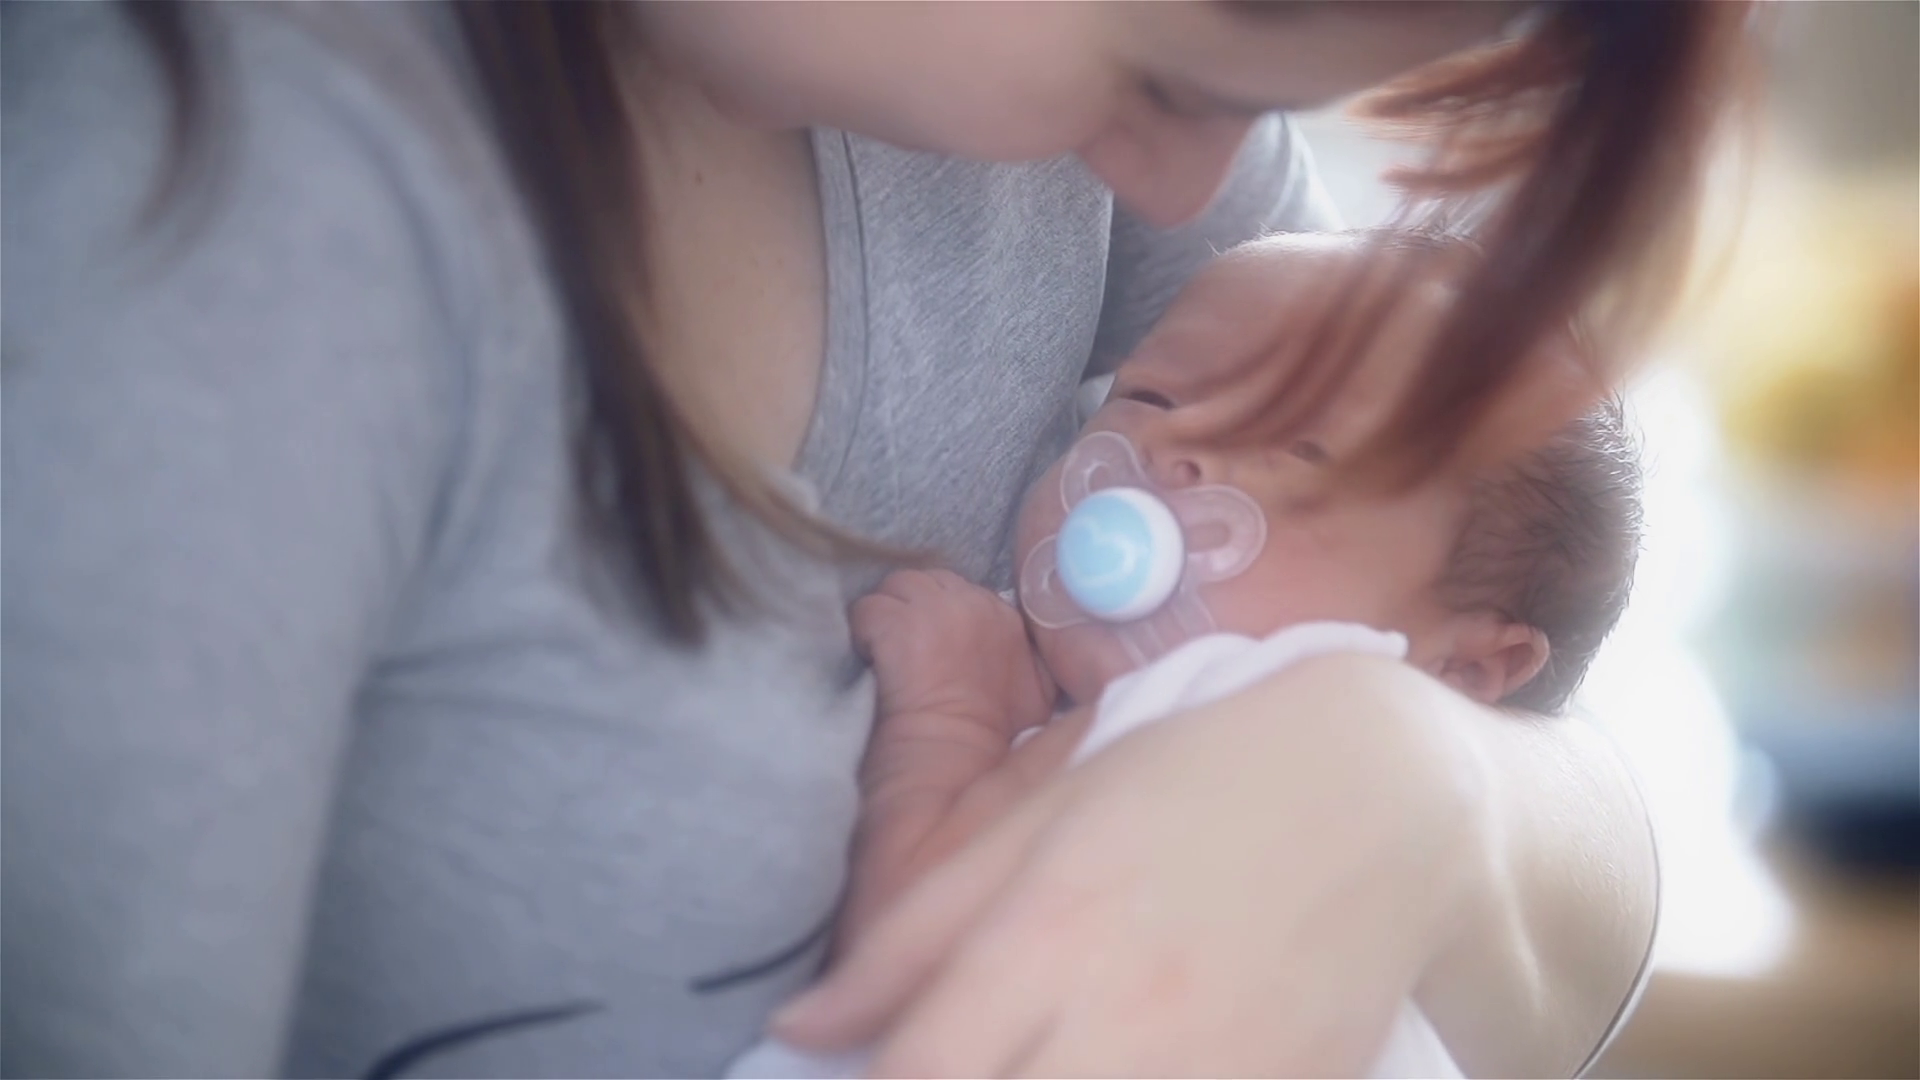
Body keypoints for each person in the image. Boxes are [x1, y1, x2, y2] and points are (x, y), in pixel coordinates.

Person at [2, 2, 1742, 1077]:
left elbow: (1585, 842)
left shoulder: (1082, 150)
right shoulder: (209, 211)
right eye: (1171, 69)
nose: (1183, 184)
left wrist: (1408, 784)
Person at [731, 231, 1643, 1079]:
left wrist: (950, 717)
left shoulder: (1241, 720)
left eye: (1302, 449)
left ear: (1463, 672)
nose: (1170, 444)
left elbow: (905, 962)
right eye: (1148, 397)